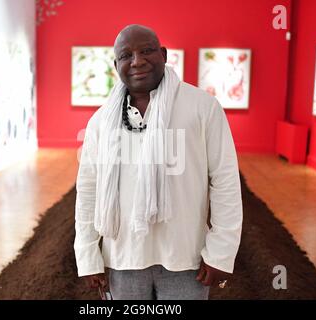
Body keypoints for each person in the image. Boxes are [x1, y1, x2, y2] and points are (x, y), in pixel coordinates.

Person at [74, 24, 243, 300]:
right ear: (116, 64)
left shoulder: (202, 107)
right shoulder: (101, 121)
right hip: (121, 258)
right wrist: (88, 256)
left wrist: (221, 253)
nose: (137, 61)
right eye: (126, 55)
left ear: (163, 54)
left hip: (185, 257)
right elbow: (88, 190)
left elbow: (225, 181)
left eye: (147, 51)